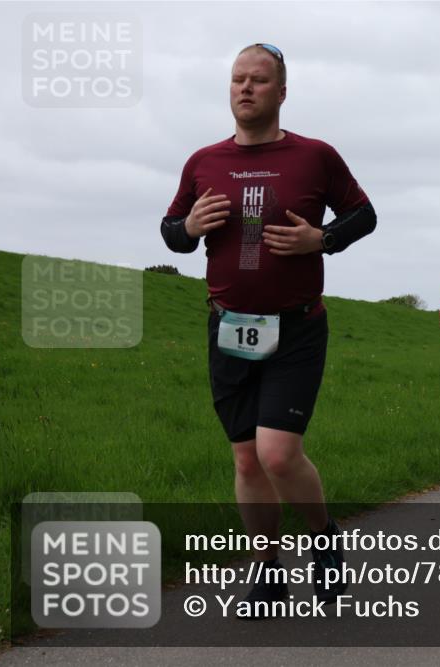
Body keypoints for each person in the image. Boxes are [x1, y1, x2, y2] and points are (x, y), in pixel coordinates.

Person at [160, 43, 377, 618]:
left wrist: (323, 239)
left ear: (281, 92)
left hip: (296, 329)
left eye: (258, 80)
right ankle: (267, 573)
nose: (245, 88)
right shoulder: (203, 161)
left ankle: (324, 539)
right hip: (228, 328)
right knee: (246, 461)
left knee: (278, 455)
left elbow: (364, 214)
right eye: (238, 79)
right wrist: (188, 227)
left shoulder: (315, 156)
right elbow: (171, 231)